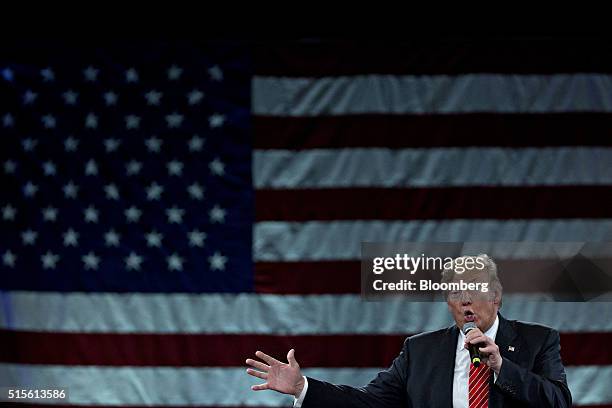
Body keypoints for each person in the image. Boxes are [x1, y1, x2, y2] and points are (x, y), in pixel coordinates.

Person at [245, 254, 572, 407]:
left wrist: (502, 367)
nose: (466, 301)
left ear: (496, 296)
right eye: (456, 293)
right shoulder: (420, 351)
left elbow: (558, 401)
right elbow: (369, 404)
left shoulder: (538, 340)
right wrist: (303, 386)